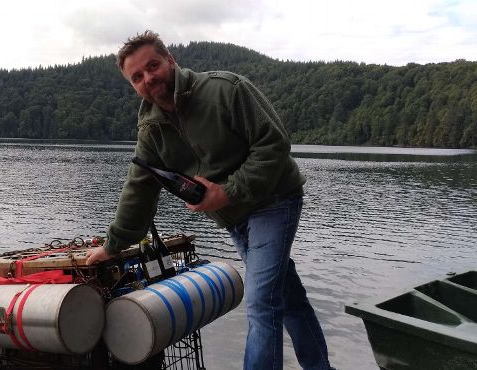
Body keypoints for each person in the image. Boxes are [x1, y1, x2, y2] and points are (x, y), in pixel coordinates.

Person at [86, 30, 334, 370]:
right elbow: (139, 188)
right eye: (137, 77)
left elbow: (273, 145)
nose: (148, 78)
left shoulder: (225, 89)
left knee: (262, 304)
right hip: (235, 219)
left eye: (153, 65)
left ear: (171, 60)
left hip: (275, 199)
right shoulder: (152, 130)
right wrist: (113, 245)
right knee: (287, 298)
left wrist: (226, 191)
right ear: (133, 86)